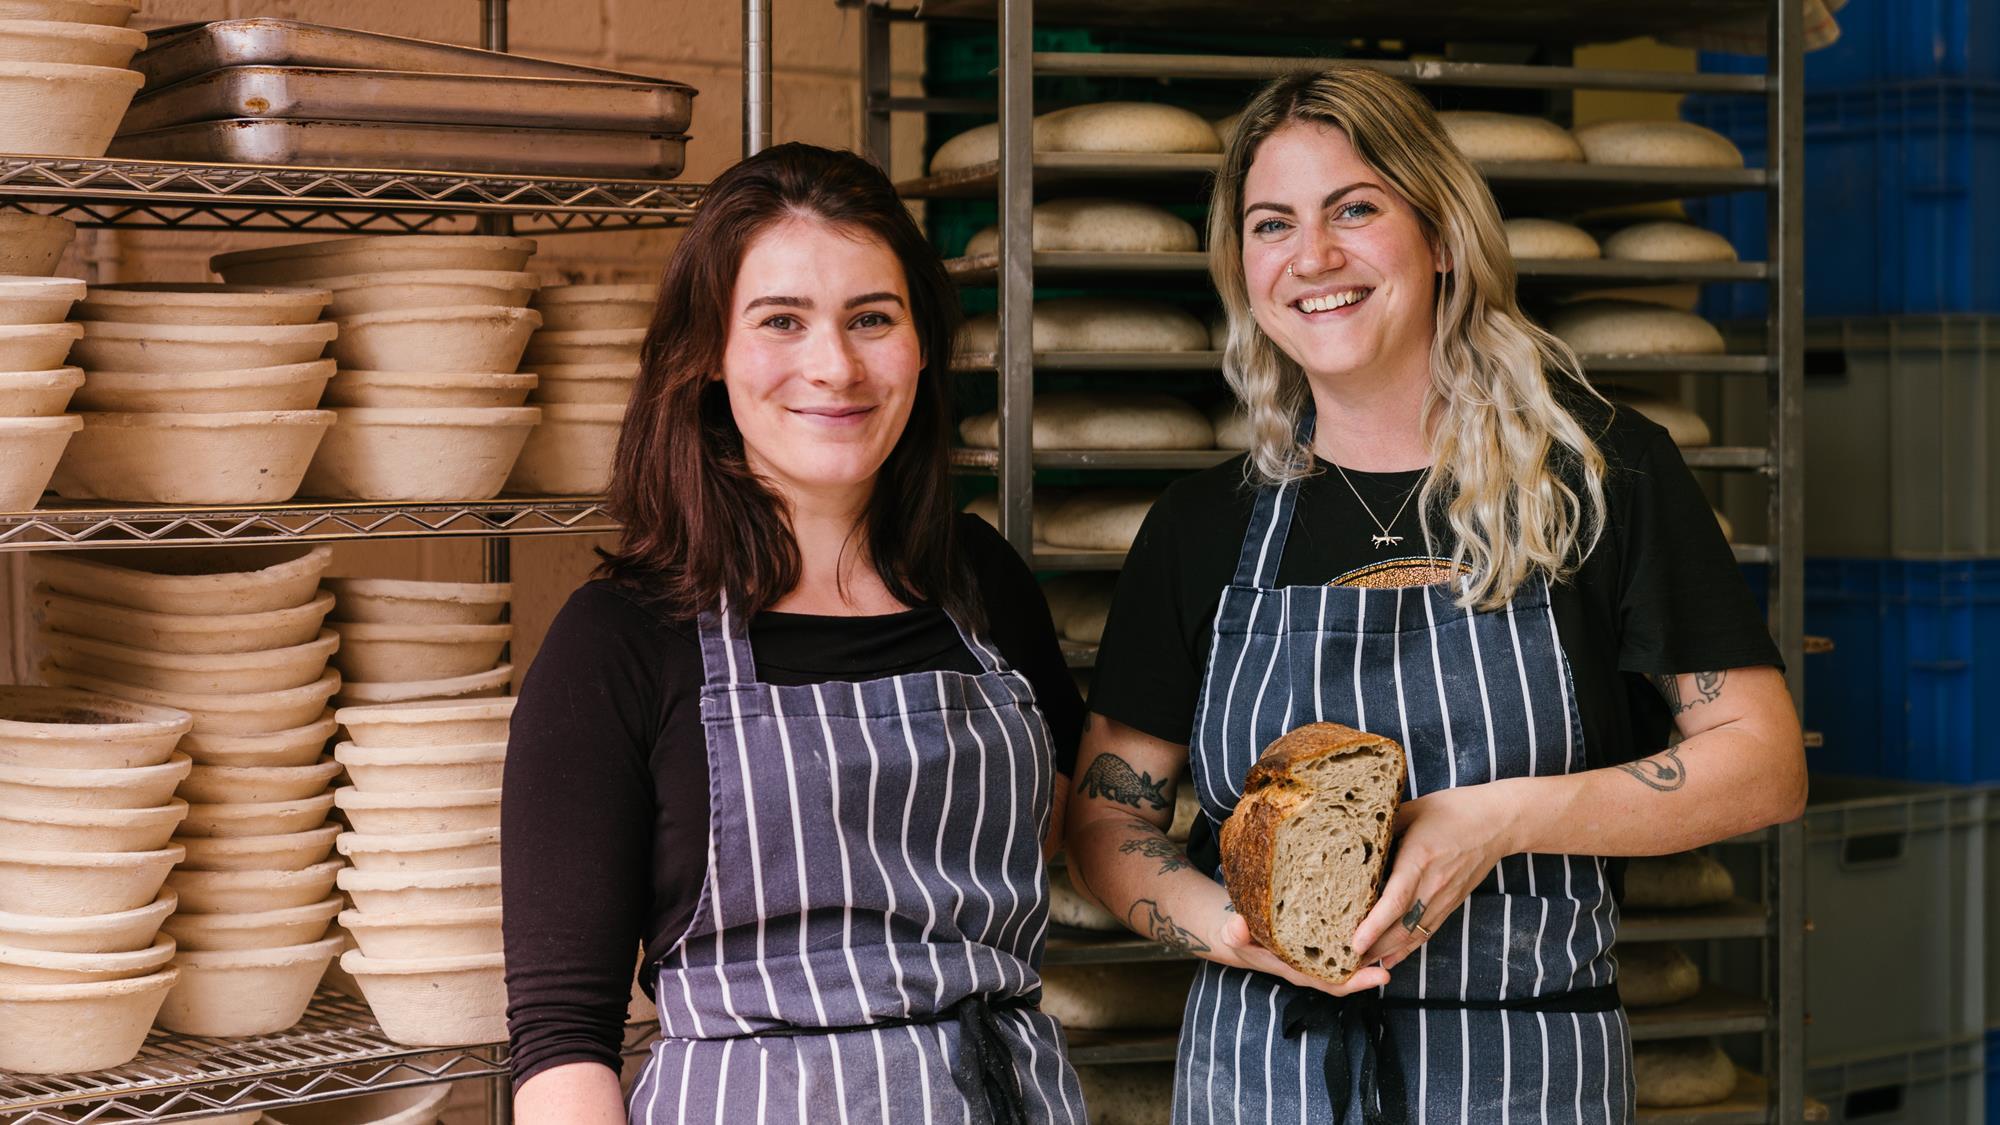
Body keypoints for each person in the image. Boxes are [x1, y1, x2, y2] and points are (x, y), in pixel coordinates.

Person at [1065, 65, 1806, 1124]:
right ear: (1243, 269)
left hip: (1526, 1070)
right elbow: (1106, 815)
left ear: (1441, 232)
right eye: (1270, 225)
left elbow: (1762, 764)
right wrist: (1226, 927)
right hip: (1261, 1071)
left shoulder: (1597, 477)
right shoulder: (1204, 524)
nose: (1311, 257)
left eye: (1353, 209)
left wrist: (1494, 820)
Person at [503, 142, 1088, 1124]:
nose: (835, 366)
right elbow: (563, 1037)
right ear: (708, 357)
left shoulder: (981, 584)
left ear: (921, 347)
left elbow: (1055, 837)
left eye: (872, 319)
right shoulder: (619, 641)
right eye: (782, 321)